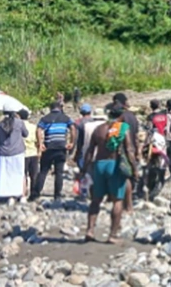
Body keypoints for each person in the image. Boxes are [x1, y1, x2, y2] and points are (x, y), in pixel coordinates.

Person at [84, 105, 137, 244]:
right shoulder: (123, 128)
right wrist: (134, 169)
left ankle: (90, 230)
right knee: (117, 200)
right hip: (114, 165)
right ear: (122, 116)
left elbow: (90, 151)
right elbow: (129, 149)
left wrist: (84, 169)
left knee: (96, 199)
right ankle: (112, 235)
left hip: (99, 164)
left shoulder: (99, 129)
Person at [33, 101, 76, 201]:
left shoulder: (45, 118)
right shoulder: (65, 118)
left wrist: (40, 143)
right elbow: (73, 128)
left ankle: (36, 193)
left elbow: (38, 129)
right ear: (60, 108)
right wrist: (72, 142)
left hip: (49, 147)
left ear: (50, 108)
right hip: (61, 147)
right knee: (59, 172)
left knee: (43, 171)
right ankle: (57, 195)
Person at [0, 103, 28, 204]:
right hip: (18, 152)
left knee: (7, 175)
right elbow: (26, 134)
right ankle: (22, 196)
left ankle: (10, 197)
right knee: (20, 174)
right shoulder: (19, 122)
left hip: (3, 153)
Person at [20, 110, 39, 199]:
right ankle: (33, 193)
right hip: (33, 152)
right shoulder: (33, 127)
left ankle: (23, 192)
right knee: (33, 175)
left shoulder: (18, 126)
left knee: (23, 175)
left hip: (22, 154)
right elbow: (38, 139)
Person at [75, 104, 95, 169]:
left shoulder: (79, 122)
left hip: (83, 147)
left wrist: (76, 152)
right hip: (94, 147)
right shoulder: (94, 121)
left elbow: (77, 138)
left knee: (82, 167)